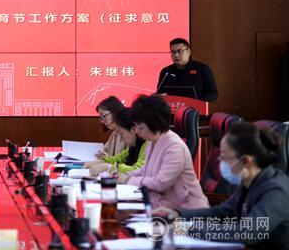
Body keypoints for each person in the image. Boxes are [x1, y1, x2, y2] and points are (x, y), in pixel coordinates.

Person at [154, 123, 289, 249]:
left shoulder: (277, 190)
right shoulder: (249, 183)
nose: (219, 161)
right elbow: (220, 213)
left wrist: (187, 229)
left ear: (246, 161)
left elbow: (247, 232)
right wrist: (178, 214)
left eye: (224, 157)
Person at [117, 94, 208, 209]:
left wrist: (128, 180)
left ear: (154, 123)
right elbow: (145, 171)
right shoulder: (152, 142)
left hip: (187, 211)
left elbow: (161, 183)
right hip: (162, 206)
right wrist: (121, 175)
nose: (137, 132)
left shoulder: (174, 147)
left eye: (141, 128)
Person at [85, 108, 148, 175]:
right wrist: (102, 161)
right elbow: (117, 158)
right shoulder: (133, 147)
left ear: (133, 130)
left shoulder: (147, 145)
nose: (121, 138)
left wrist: (108, 167)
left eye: (121, 133)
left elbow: (138, 170)